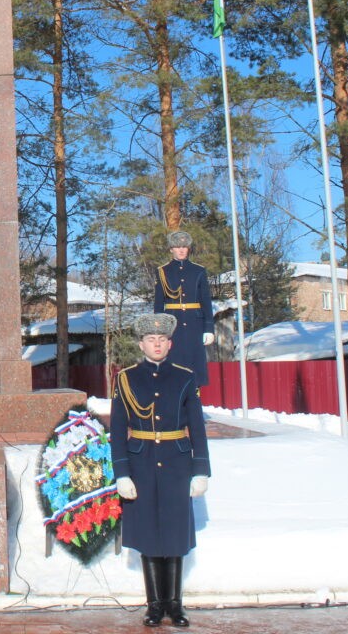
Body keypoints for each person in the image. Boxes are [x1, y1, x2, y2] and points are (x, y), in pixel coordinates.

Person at [111, 313, 210, 628]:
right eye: (151, 340)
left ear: (170, 343)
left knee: (175, 531)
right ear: (141, 344)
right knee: (149, 533)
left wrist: (201, 470)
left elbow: (196, 426)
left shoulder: (184, 377)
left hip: (177, 462)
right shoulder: (125, 378)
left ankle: (175, 605)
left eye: (162, 340)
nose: (157, 344)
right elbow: (117, 429)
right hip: (140, 463)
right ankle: (155, 606)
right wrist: (122, 472)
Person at [153, 230, 215, 387]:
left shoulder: (198, 270)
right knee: (173, 362)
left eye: (184, 247)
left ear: (188, 249)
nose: (181, 250)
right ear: (171, 249)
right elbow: (159, 303)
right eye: (177, 246)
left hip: (195, 323)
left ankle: (194, 398)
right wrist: (159, 330)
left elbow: (205, 301)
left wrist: (209, 328)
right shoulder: (163, 271)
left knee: (195, 365)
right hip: (172, 324)